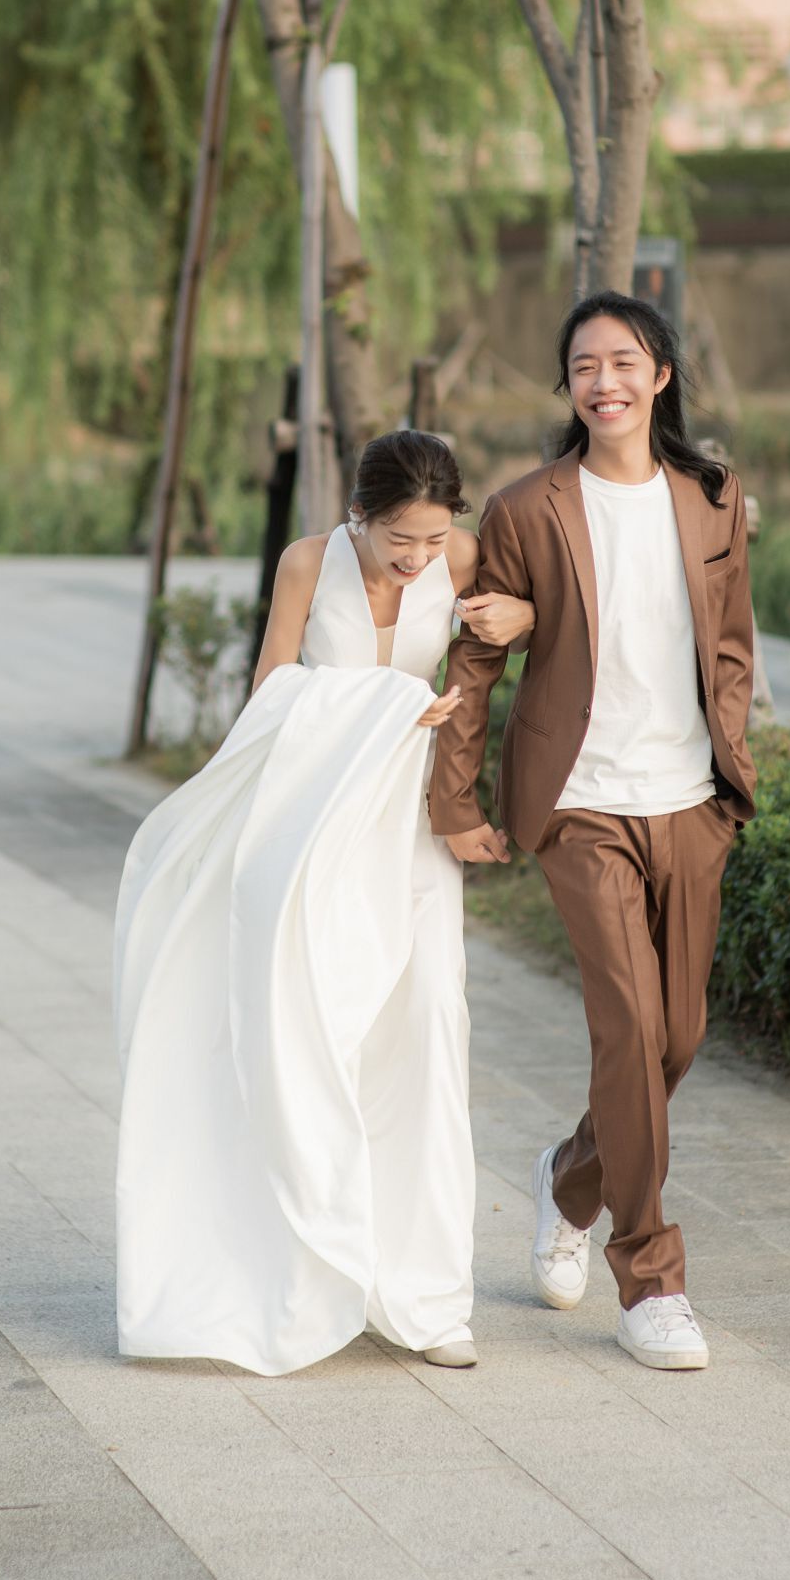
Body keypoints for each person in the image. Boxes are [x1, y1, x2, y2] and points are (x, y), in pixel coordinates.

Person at [113, 430, 534, 1376]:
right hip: (313, 815)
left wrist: (527, 616)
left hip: (409, 822)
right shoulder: (307, 562)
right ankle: (306, 1264)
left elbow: (505, 649)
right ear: (357, 515)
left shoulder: (463, 557)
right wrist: (383, 706)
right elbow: (271, 690)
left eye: (433, 541)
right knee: (308, 1022)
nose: (417, 558)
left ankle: (425, 1296)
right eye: (398, 539)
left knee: (428, 1019)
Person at [429, 293, 756, 1372]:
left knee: (677, 1038)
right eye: (583, 366)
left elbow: (732, 645)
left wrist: (731, 772)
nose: (603, 381)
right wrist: (455, 802)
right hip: (580, 802)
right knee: (627, 1026)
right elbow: (477, 658)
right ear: (568, 386)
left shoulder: (710, 496)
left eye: (623, 361)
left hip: (688, 800)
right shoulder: (528, 508)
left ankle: (570, 1179)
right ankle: (651, 1278)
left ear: (660, 373)